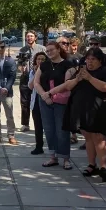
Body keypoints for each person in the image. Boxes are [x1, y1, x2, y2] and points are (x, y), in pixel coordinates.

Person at [50, 47, 106, 181]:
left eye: (93, 59)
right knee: (88, 137)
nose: (90, 62)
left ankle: (104, 167)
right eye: (88, 59)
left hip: (99, 110)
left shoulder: (105, 72)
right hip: (82, 109)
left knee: (99, 138)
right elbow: (68, 86)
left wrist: (90, 78)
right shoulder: (81, 71)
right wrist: (77, 79)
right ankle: (92, 165)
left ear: (100, 61)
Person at [33, 41, 76, 169]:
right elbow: (36, 83)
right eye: (47, 51)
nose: (49, 52)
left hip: (61, 102)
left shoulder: (68, 65)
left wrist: (51, 94)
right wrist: (44, 96)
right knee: (49, 130)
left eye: (52, 50)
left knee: (62, 130)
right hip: (45, 101)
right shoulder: (44, 65)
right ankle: (53, 157)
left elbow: (68, 84)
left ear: (58, 49)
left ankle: (66, 159)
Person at [0, 42, 18, 145]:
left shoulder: (11, 61)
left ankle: (11, 135)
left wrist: (6, 88)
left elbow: (12, 76)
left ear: (5, 48)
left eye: (2, 47)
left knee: (9, 115)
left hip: (7, 92)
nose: (0, 49)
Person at [27, 52, 47, 155]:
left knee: (48, 126)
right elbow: (30, 86)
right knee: (38, 126)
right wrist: (35, 73)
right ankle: (39, 146)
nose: (40, 61)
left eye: (43, 59)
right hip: (36, 102)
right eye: (38, 59)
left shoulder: (48, 71)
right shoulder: (32, 72)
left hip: (47, 100)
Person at [19, 60, 32, 133]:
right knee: (24, 103)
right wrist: (21, 68)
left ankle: (41, 124)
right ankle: (25, 124)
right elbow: (19, 64)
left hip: (38, 77)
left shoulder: (41, 49)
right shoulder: (23, 51)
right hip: (25, 79)